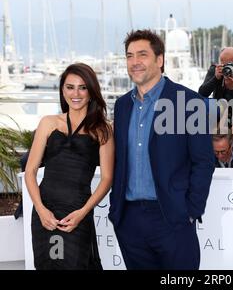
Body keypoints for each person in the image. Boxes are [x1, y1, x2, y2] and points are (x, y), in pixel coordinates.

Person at [109, 29, 215, 270]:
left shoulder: (189, 102)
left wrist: (190, 210)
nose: (135, 62)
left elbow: (204, 162)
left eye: (142, 55)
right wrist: (118, 214)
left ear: (160, 60)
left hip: (172, 218)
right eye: (129, 56)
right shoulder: (123, 105)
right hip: (129, 219)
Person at [24, 63, 114, 270]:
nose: (76, 93)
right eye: (69, 87)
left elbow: (107, 178)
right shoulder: (48, 122)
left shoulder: (103, 130)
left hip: (77, 214)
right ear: (62, 90)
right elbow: (30, 172)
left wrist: (82, 213)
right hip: (45, 213)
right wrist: (40, 209)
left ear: (91, 92)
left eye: (82, 87)